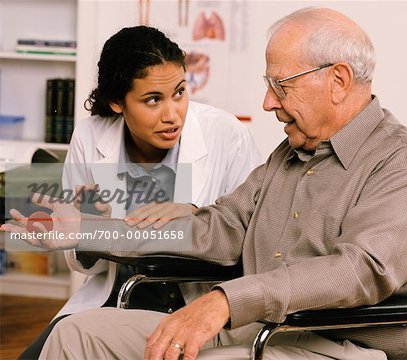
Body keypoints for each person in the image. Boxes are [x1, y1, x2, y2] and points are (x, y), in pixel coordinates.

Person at [3, 7, 407, 360]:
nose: (267, 102)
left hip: (335, 345)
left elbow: (359, 270)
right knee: (78, 335)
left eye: (281, 85)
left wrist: (225, 301)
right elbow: (217, 227)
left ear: (338, 81)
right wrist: (87, 231)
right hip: (254, 332)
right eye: (267, 84)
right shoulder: (289, 155)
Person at [13, 25, 262, 359]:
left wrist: (195, 214)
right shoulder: (90, 135)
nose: (173, 115)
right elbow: (83, 265)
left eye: (179, 92)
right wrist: (88, 229)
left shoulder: (225, 134)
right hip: (112, 294)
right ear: (117, 102)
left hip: (193, 301)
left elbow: (251, 241)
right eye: (153, 100)